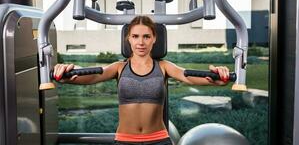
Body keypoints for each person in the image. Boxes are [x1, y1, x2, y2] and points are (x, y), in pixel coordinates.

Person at [53, 15, 230, 145]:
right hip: (125, 141)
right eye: (135, 36)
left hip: (158, 140)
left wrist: (216, 78)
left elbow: (188, 76)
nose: (141, 42)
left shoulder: (164, 66)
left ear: (154, 39)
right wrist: (66, 75)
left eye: (146, 36)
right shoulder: (119, 67)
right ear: (128, 39)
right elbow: (91, 76)